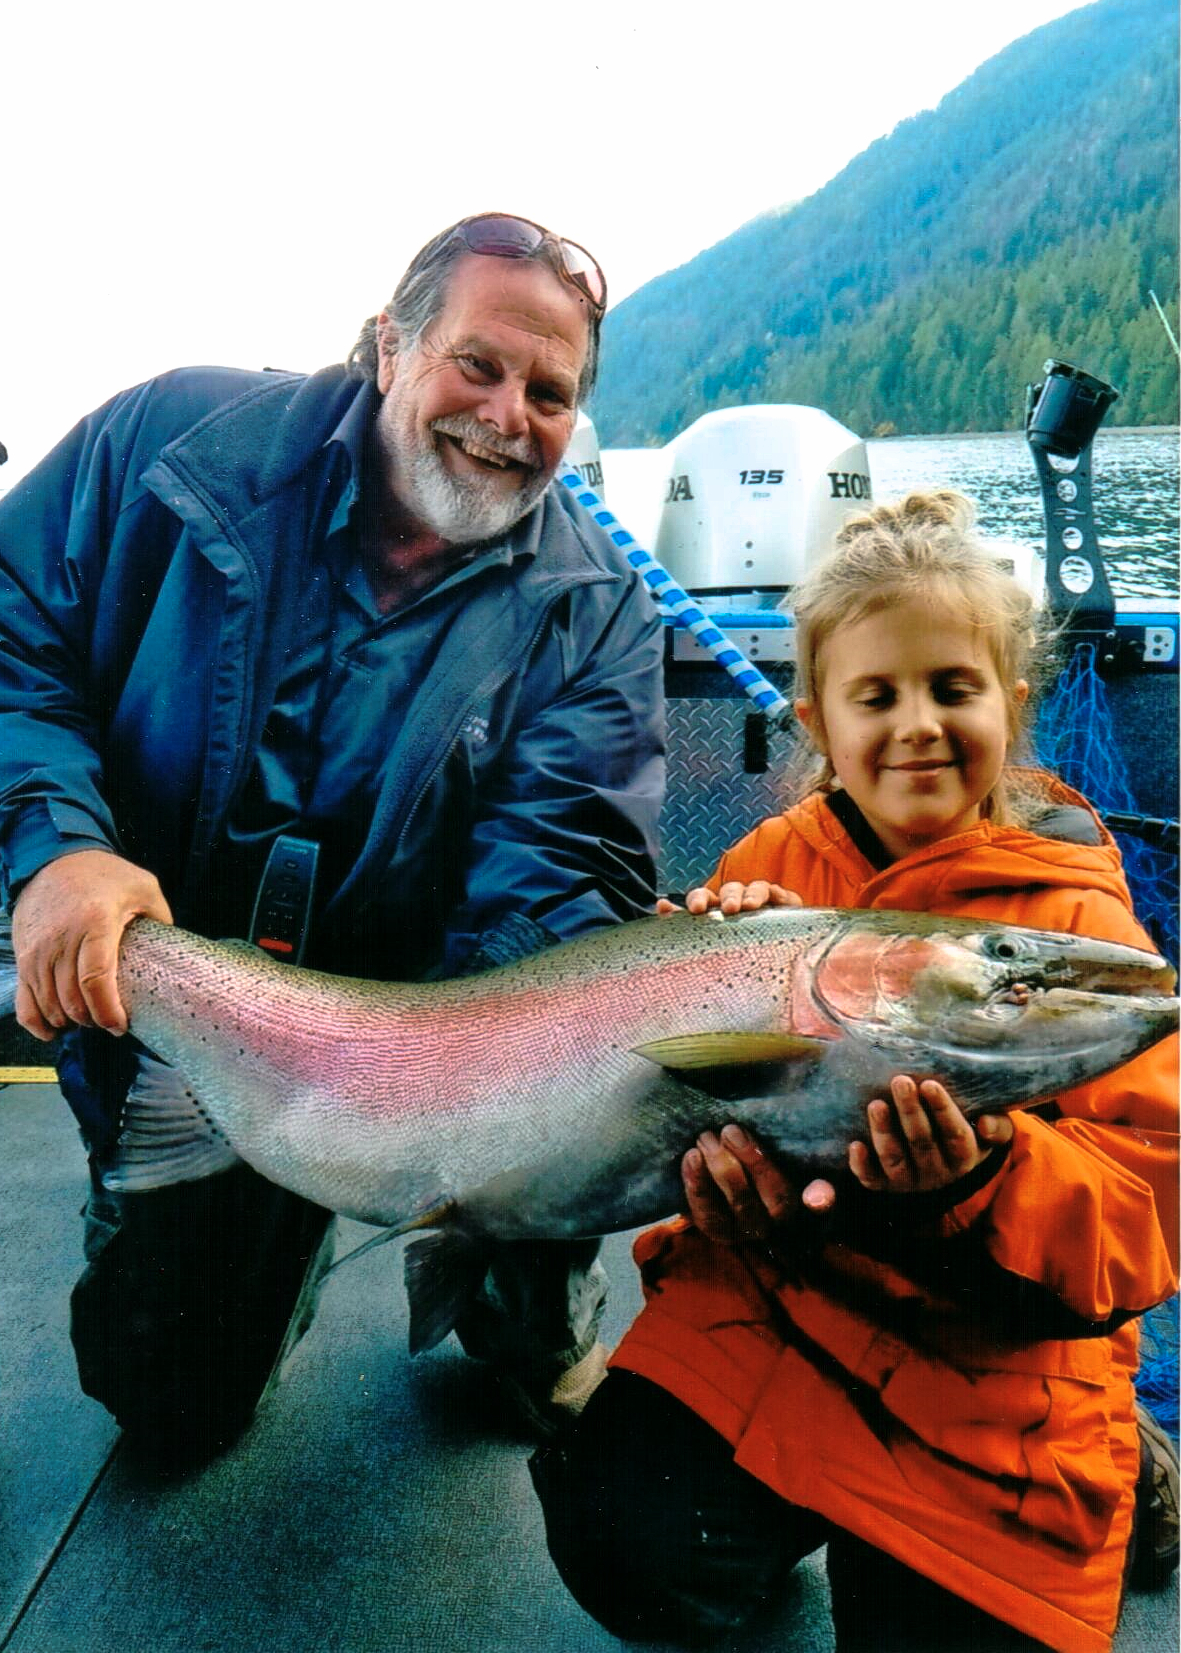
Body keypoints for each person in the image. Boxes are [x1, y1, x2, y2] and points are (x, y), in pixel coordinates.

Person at [0, 212, 665, 1460]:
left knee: (567, 1098)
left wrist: (505, 1064)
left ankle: (523, 1295)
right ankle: (226, 1219)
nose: (506, 413)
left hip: (429, 1014)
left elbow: (564, 874)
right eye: (476, 363)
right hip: (177, 998)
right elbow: (7, 625)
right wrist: (54, 844)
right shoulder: (167, 444)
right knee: (169, 1400)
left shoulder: (597, 618)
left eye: (548, 390)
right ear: (385, 347)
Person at [531, 491, 1178, 1652]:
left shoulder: (1080, 939)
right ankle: (770, 1523)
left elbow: (1143, 1220)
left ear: (1009, 702)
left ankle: (1132, 1460)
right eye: (874, 696)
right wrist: (721, 1202)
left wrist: (976, 1180)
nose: (916, 725)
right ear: (818, 721)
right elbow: (678, 1135)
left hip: (993, 1379)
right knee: (611, 1530)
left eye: (951, 688)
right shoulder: (763, 872)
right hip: (788, 1321)